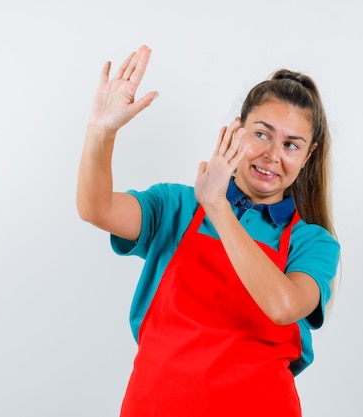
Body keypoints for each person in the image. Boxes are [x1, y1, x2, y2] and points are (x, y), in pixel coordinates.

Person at [77, 44, 340, 417]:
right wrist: (100, 133)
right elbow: (96, 208)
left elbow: (283, 307)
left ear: (308, 156)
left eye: (291, 145)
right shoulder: (177, 206)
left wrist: (217, 206)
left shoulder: (312, 243)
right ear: (237, 129)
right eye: (262, 135)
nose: (272, 155)